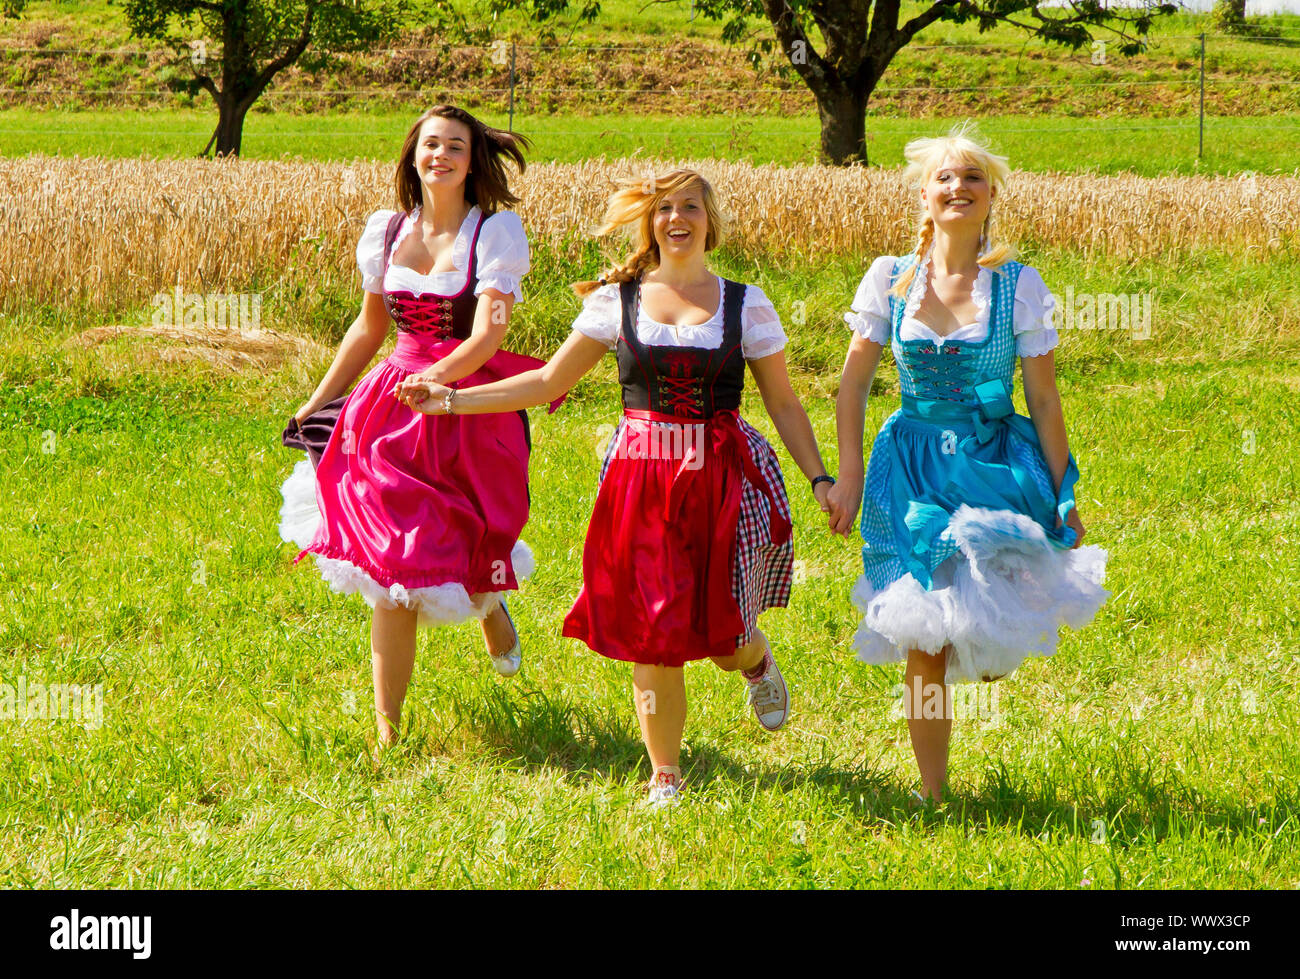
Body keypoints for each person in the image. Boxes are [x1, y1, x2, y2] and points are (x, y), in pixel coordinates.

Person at [395, 168, 837, 807]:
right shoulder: (617, 301)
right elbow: (547, 383)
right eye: (664, 208)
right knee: (653, 628)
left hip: (721, 480)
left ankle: (755, 661)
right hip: (640, 477)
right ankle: (665, 773)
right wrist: (449, 400)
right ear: (649, 223)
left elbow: (786, 404)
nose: (676, 218)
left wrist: (820, 478)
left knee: (724, 635)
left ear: (711, 221)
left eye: (691, 206)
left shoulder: (748, 304)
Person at [827, 123, 1110, 804]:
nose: (959, 188)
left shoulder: (1018, 284)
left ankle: (976, 652)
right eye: (945, 179)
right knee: (923, 635)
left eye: (973, 178)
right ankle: (933, 793)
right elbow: (853, 385)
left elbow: (1042, 398)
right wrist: (850, 476)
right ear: (924, 196)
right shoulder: (889, 279)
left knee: (988, 645)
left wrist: (1064, 490)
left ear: (991, 197)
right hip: (914, 468)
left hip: (994, 467)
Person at [278, 105, 562, 748]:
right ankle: (389, 736)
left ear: (472, 160)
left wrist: (441, 385)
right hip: (390, 409)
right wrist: (318, 401)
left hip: (467, 405)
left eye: (454, 145)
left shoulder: (494, 232)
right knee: (393, 572)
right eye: (429, 144)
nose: (440, 154)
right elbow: (369, 329)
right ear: (412, 155)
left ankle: (490, 605)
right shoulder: (385, 231)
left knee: (462, 540)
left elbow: (489, 333)